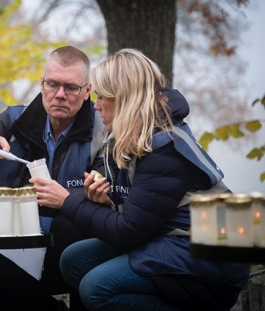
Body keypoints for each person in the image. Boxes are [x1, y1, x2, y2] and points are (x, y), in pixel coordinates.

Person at [30, 48, 250, 311]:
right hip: (172, 240)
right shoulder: (134, 137)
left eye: (102, 97)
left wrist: (66, 201)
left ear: (124, 99)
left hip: (215, 260)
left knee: (96, 288)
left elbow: (128, 231)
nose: (96, 105)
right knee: (74, 260)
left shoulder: (165, 148)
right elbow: (134, 211)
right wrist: (100, 199)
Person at [0, 46, 106, 311]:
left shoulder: (103, 130)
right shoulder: (16, 120)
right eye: (52, 84)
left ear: (87, 91)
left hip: (77, 250)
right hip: (15, 248)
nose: (59, 95)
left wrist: (67, 199)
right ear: (41, 84)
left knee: (71, 235)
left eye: (71, 87)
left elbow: (112, 198)